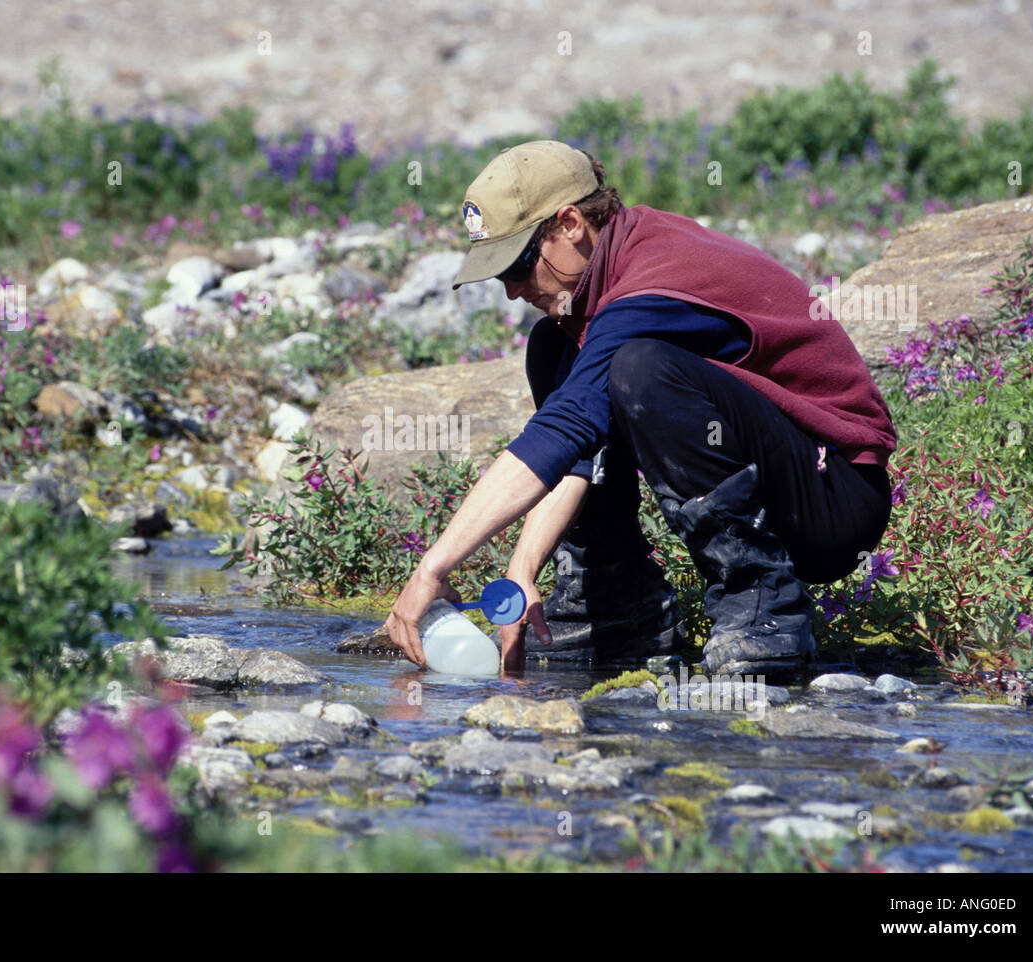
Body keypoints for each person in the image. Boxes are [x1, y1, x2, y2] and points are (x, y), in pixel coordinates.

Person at [383, 140, 896, 680]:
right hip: (787, 475)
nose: (512, 292)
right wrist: (523, 568)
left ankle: (762, 603)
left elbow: (567, 426)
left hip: (834, 499)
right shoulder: (603, 282)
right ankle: (615, 603)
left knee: (639, 368)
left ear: (570, 223)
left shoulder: (654, 282)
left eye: (518, 266)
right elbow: (581, 450)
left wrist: (432, 568)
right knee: (555, 349)